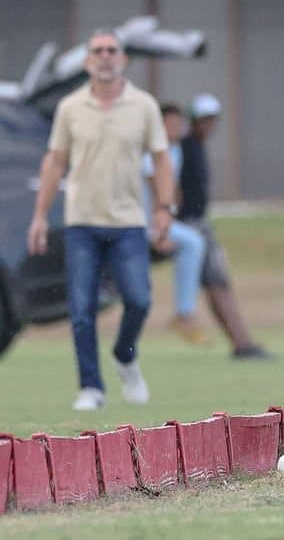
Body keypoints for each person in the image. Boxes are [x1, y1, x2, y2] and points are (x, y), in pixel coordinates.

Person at [27, 29, 174, 410]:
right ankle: (91, 387)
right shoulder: (71, 107)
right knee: (81, 310)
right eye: (98, 51)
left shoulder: (143, 106)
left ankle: (125, 356)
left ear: (122, 59)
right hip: (82, 222)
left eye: (112, 50)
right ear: (88, 61)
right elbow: (55, 161)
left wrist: (164, 207)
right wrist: (40, 216)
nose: (105, 56)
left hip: (127, 222)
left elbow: (160, 160)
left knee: (139, 300)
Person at [179, 93, 271, 359]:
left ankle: (241, 343)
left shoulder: (196, 147)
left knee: (218, 283)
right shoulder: (185, 148)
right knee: (218, 283)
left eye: (211, 120)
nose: (208, 125)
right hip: (190, 225)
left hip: (199, 223)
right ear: (193, 121)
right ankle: (241, 344)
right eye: (203, 120)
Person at [143, 103, 209, 345]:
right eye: (169, 124)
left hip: (161, 219)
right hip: (139, 222)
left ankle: (184, 314)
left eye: (177, 124)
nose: (174, 128)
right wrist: (161, 229)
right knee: (192, 243)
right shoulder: (151, 150)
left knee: (193, 243)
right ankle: (184, 314)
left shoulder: (178, 150)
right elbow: (155, 187)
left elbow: (173, 190)